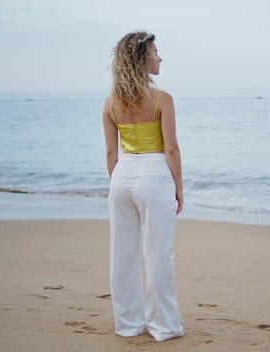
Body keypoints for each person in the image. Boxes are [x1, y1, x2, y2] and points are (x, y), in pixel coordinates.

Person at [101, 31, 185, 341]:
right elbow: (172, 149)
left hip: (122, 176)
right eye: (155, 53)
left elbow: (111, 153)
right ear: (141, 59)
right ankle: (164, 326)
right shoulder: (162, 99)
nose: (160, 58)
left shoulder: (111, 103)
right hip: (154, 174)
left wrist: (122, 184)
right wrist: (179, 187)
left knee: (121, 253)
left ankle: (128, 324)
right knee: (157, 253)